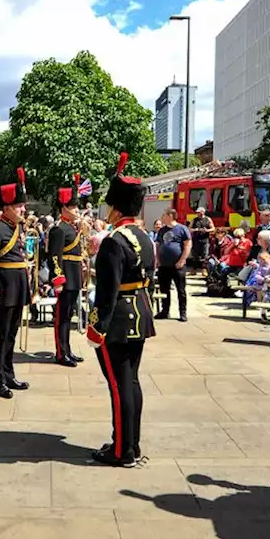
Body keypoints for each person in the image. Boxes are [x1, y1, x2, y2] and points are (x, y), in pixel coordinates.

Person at [85, 152, 156, 468]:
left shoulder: (113, 240)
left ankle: (121, 451)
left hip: (117, 321)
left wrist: (96, 327)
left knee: (119, 386)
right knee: (132, 383)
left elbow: (107, 292)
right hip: (140, 313)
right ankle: (132, 444)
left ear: (115, 207)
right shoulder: (144, 236)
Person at [0, 167, 32, 399]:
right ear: (7, 207)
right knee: (0, 337)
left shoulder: (16, 227)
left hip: (18, 285)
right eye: (19, 206)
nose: (23, 209)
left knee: (12, 334)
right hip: (4, 287)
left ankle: (9, 373)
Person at [48, 176, 87, 367]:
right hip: (65, 277)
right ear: (64, 208)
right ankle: (61, 353)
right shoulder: (59, 228)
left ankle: (68, 349)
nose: (77, 210)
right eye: (73, 207)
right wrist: (58, 279)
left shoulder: (72, 227)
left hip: (75, 274)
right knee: (62, 317)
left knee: (69, 315)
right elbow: (54, 256)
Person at [154, 208, 191, 322]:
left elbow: (187, 245)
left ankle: (182, 313)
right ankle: (165, 311)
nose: (162, 217)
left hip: (177, 266)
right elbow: (158, 245)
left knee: (181, 290)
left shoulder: (182, 229)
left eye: (164, 215)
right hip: (164, 266)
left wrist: (182, 260)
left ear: (170, 216)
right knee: (164, 289)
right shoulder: (162, 230)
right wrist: (157, 260)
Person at [189, 207, 214, 272]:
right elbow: (189, 228)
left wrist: (207, 230)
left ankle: (204, 270)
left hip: (205, 240)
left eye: (199, 212)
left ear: (203, 212)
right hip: (196, 240)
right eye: (197, 212)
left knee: (205, 255)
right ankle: (194, 269)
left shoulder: (208, 219)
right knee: (195, 255)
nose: (197, 213)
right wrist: (196, 229)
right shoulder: (194, 220)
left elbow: (213, 228)